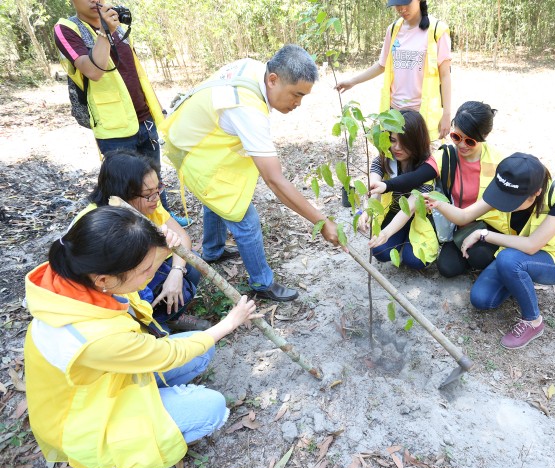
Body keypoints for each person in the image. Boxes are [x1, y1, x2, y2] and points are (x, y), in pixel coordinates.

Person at [24, 206, 261, 468]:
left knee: (202, 350)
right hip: (90, 421)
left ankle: (160, 406)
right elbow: (167, 353)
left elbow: (135, 276)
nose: (152, 272)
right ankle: (126, 465)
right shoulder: (93, 338)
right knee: (212, 407)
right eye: (146, 269)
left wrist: (164, 247)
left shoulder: (74, 276)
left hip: (108, 382)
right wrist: (228, 324)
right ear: (104, 280)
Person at [160, 45, 341, 303]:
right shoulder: (247, 108)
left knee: (217, 201)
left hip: (195, 140)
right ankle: (261, 283)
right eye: (296, 95)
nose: (298, 104)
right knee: (244, 219)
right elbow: (274, 180)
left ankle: (212, 251)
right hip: (193, 151)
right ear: (273, 80)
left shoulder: (257, 69)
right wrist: (322, 222)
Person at [425, 153, 555, 350]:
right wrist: (439, 204)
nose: (503, 203)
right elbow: (465, 215)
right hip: (517, 252)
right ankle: (517, 281)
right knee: (481, 299)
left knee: (508, 260)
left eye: (511, 201)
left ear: (536, 192)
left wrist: (484, 235)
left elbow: (532, 245)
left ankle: (533, 321)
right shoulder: (509, 185)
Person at [53, 0, 188, 226]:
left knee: (153, 177)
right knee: (124, 187)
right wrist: (105, 33)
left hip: (144, 118)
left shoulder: (117, 23)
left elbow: (135, 71)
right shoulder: (68, 28)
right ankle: (132, 231)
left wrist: (156, 109)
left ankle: (163, 220)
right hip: (113, 126)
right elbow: (94, 71)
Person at [79, 150, 208, 331]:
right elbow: (115, 286)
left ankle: (169, 319)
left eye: (158, 189)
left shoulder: (148, 203)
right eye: (148, 193)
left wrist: (176, 273)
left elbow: (183, 239)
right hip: (122, 290)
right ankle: (154, 328)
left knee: (189, 266)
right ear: (123, 194)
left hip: (144, 271)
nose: (156, 198)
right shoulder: (98, 226)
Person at [334, 0, 452, 141]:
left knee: (422, 160)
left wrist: (447, 114)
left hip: (422, 114)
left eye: (406, 3)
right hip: (394, 113)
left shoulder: (437, 30)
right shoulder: (394, 29)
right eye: (397, 4)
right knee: (395, 159)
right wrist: (352, 81)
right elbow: (382, 65)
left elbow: (445, 76)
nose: (401, 9)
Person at [433, 101, 506, 278]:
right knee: (447, 268)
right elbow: (421, 174)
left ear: (485, 135)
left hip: (488, 227)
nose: (462, 145)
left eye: (470, 140)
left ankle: (487, 261)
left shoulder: (499, 163)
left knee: (479, 257)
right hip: (458, 228)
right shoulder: (446, 155)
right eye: (456, 137)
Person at [363, 110, 439, 269]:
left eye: (404, 143)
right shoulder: (385, 159)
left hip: (417, 216)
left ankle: (406, 242)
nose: (397, 147)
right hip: (393, 211)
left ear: (416, 142)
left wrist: (386, 233)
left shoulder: (425, 169)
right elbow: (373, 188)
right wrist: (367, 211)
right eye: (392, 140)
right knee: (380, 251)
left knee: (415, 261)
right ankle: (400, 239)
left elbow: (410, 208)